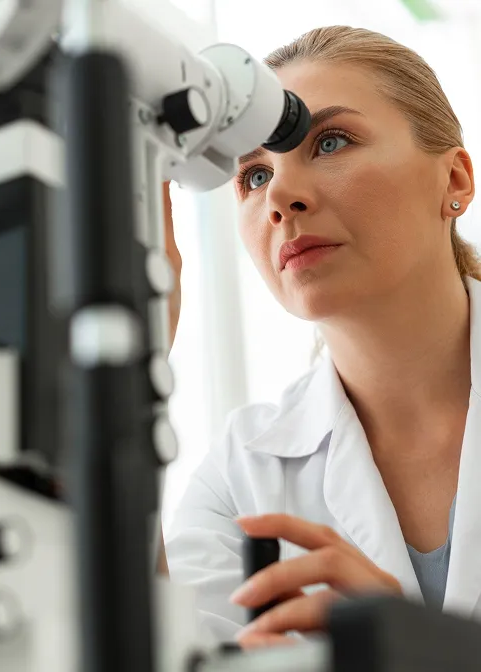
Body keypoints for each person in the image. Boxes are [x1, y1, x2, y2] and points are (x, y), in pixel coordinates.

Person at [161, 25, 481, 649]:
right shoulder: (241, 474)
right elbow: (154, 654)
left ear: (455, 180)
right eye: (252, 177)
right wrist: (132, 346)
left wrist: (430, 651)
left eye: (331, 141)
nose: (279, 195)